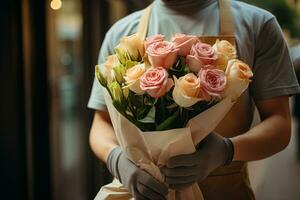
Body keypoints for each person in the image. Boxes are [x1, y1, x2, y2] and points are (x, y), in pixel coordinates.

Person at [88, 0, 300, 199]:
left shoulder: (257, 24)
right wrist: (116, 159)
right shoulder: (122, 34)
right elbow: (101, 122)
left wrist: (227, 150)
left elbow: (279, 122)